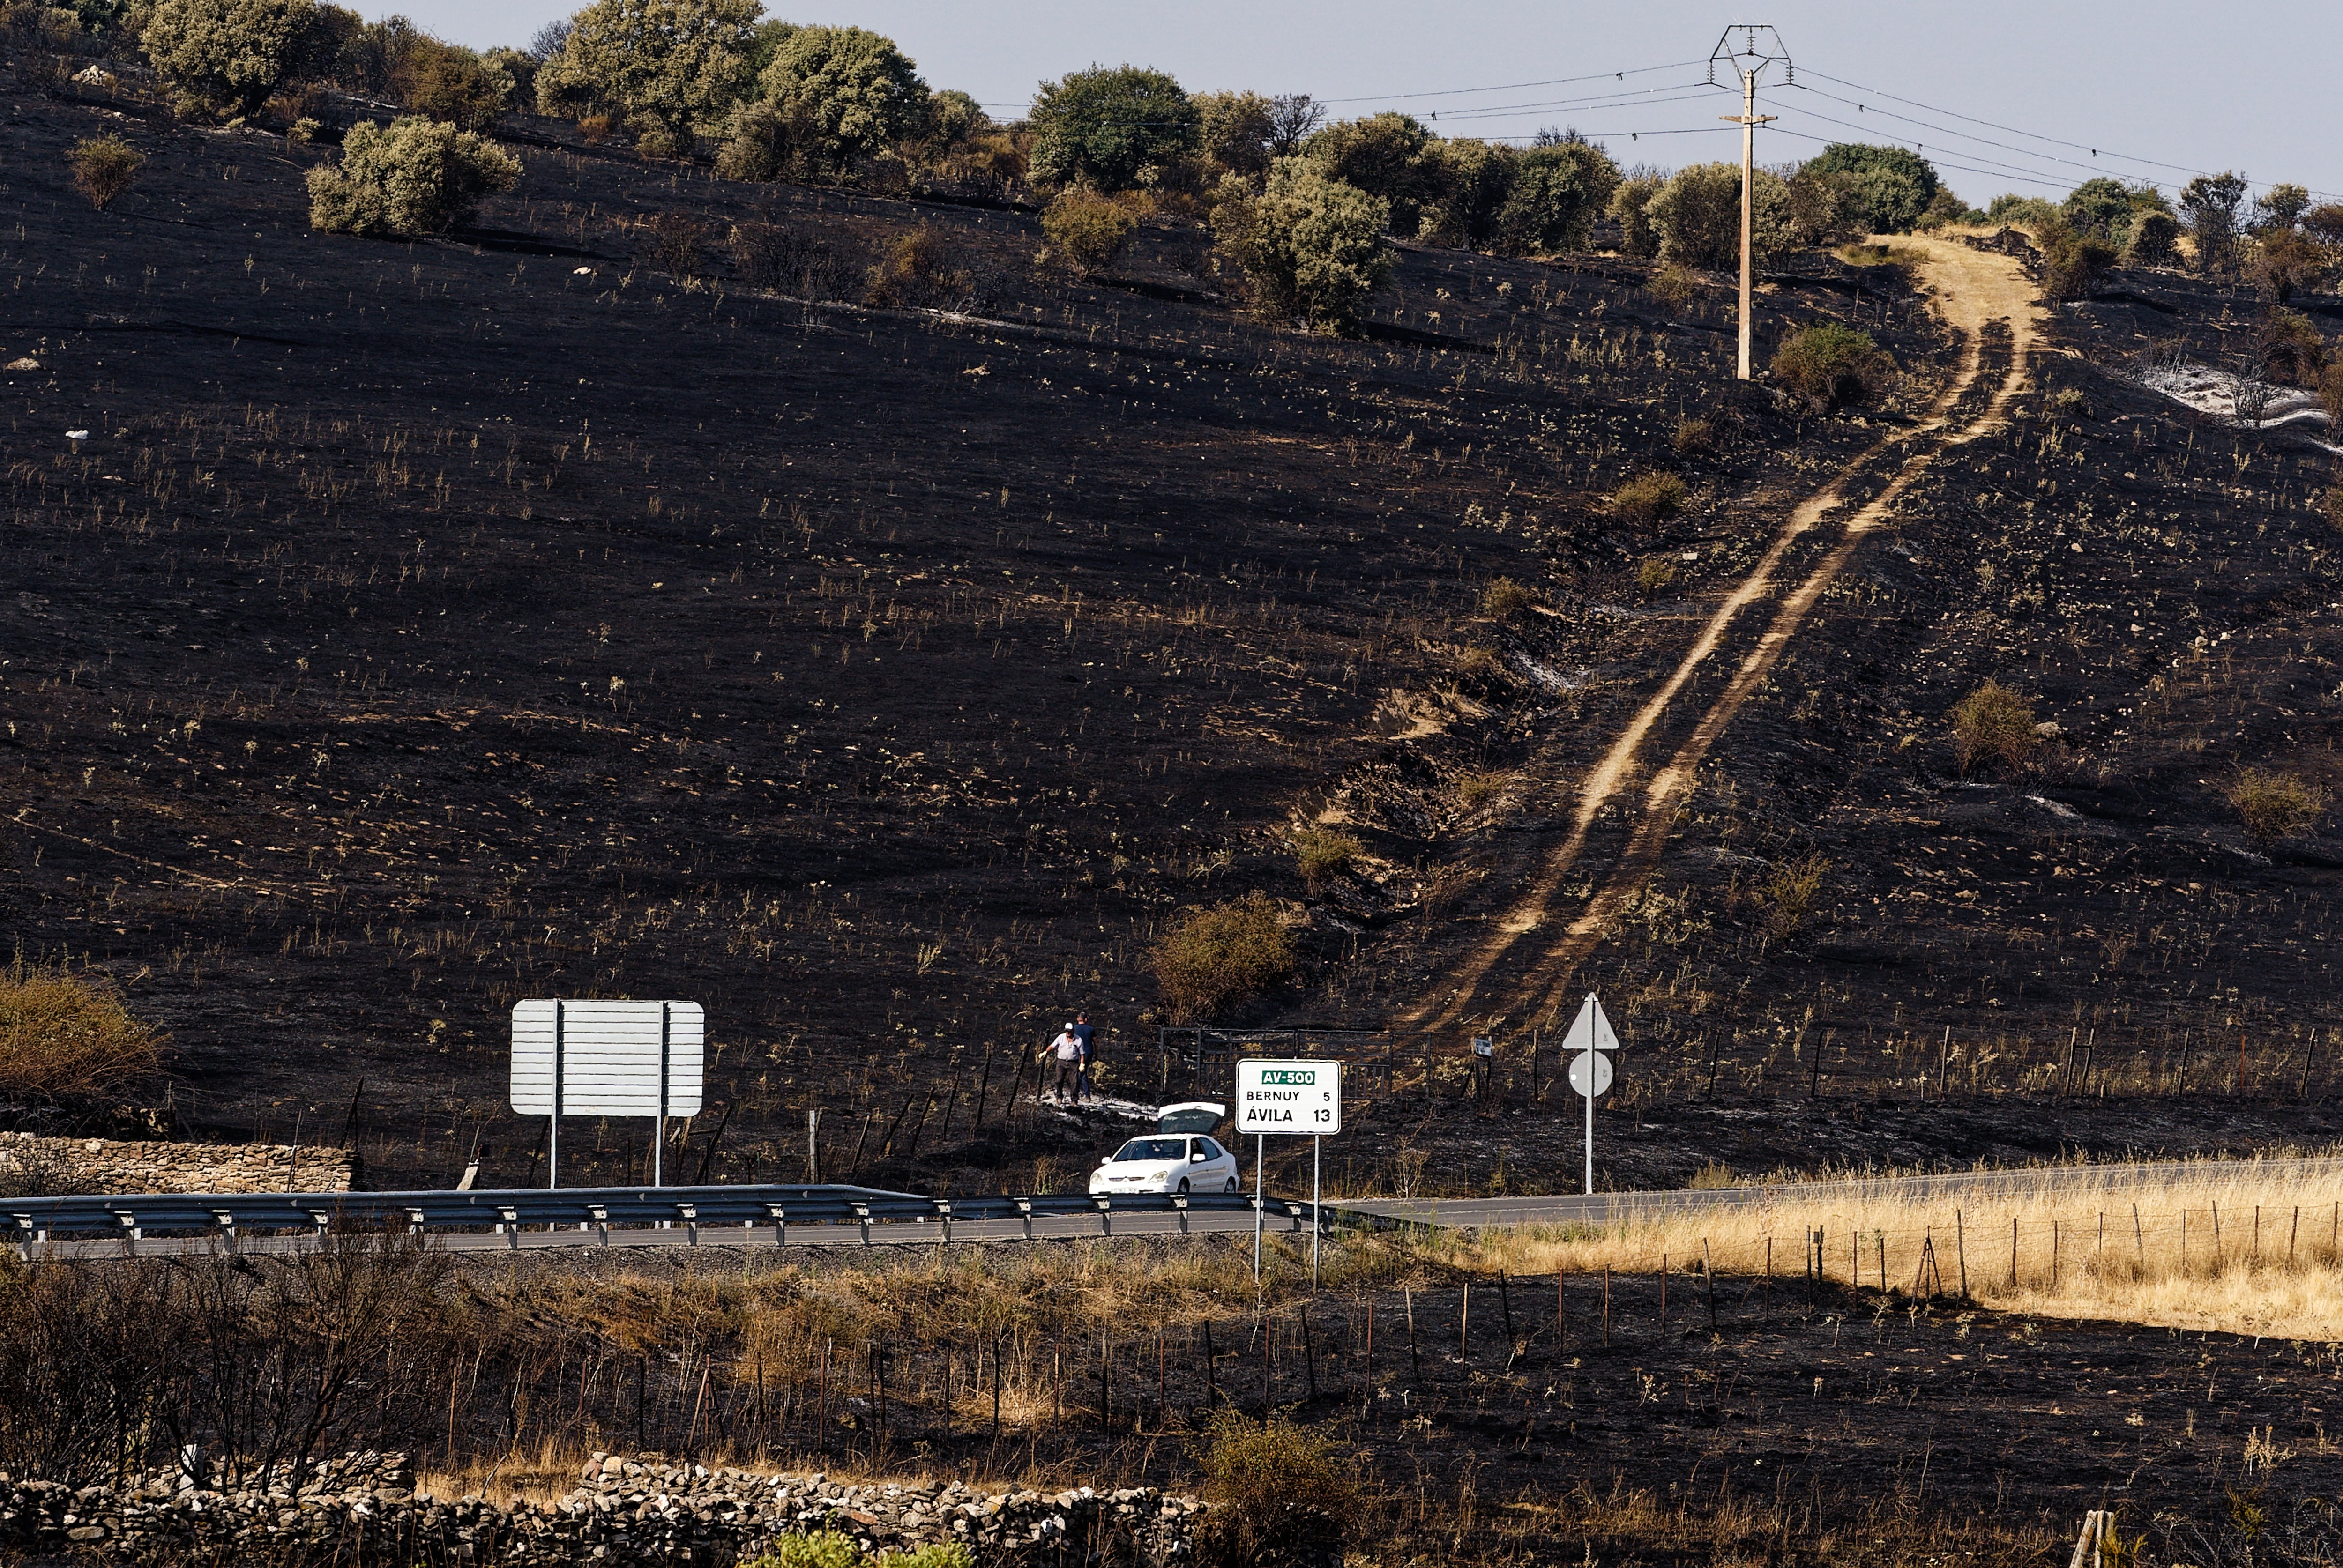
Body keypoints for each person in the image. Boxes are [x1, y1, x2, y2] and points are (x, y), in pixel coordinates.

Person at [1042, 1024, 1082, 1105]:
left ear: (1073, 1031)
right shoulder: (1061, 1037)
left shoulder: (1078, 1040)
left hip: (1073, 1063)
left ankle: (1074, 1100)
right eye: (1067, 1031)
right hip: (1061, 1062)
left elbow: (1082, 1054)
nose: (1068, 1033)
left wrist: (1082, 1064)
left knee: (1074, 1082)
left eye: (1069, 1031)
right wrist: (1046, 1052)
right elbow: (1053, 1046)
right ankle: (1059, 1097)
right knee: (1059, 1080)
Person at [1070, 1013, 1097, 1102]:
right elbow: (1096, 1043)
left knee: (1078, 1074)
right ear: (1086, 1020)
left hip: (1078, 1053)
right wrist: (1097, 1055)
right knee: (1083, 1073)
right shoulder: (1091, 1029)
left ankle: (1077, 1094)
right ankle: (1086, 1095)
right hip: (1089, 1053)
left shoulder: (1074, 1029)